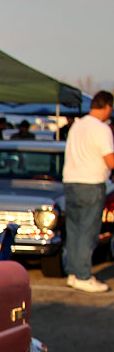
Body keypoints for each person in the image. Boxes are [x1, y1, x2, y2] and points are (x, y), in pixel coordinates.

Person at [61, 90, 114, 294]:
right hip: (91, 183)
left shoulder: (77, 125)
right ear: (107, 106)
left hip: (71, 182)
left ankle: (73, 273)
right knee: (88, 231)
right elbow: (109, 159)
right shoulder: (101, 129)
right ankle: (83, 274)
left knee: (74, 230)